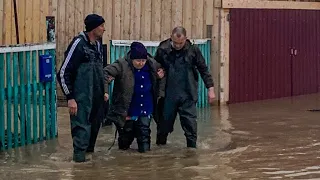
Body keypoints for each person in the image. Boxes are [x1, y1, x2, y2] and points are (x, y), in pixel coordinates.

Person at [154, 26, 216, 148]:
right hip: (168, 95)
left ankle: (191, 154)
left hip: (187, 94)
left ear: (186, 39)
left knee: (191, 127)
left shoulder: (193, 50)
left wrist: (211, 89)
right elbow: (154, 65)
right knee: (163, 127)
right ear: (171, 37)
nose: (177, 46)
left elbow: (203, 69)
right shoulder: (163, 49)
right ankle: (160, 155)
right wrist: (157, 73)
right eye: (175, 43)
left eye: (180, 43)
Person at [57, 14, 106, 162]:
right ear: (93, 28)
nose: (104, 29)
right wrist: (70, 98)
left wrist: (103, 91)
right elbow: (63, 73)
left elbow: (100, 71)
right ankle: (78, 164)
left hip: (96, 97)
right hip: (80, 98)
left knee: (95, 127)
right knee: (81, 130)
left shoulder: (97, 45)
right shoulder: (78, 44)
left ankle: (89, 169)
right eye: (102, 26)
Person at [104, 42, 164, 153]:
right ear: (132, 59)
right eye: (138, 61)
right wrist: (105, 91)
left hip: (146, 106)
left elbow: (163, 72)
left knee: (144, 134)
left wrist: (160, 89)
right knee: (125, 138)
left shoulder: (152, 64)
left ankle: (145, 159)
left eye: (143, 60)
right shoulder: (121, 64)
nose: (141, 63)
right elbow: (105, 73)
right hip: (128, 108)